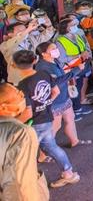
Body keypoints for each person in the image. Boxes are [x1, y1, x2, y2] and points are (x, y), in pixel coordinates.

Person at [13, 50, 81, 188]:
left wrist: (13, 124)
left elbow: (27, 113)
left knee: (26, 155)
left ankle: (28, 186)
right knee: (52, 147)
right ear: (34, 61)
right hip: (47, 117)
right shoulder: (43, 74)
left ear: (14, 65)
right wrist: (45, 104)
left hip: (35, 124)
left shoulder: (22, 86)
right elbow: (56, 91)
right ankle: (69, 174)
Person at [34, 42, 90, 148]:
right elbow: (56, 81)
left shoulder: (54, 60)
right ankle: (44, 152)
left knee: (70, 118)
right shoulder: (42, 67)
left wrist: (71, 76)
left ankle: (75, 141)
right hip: (54, 101)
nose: (56, 50)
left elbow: (62, 74)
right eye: (53, 49)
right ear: (44, 54)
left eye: (56, 48)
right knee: (55, 126)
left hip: (64, 96)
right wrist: (76, 70)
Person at [0, 83, 49, 200]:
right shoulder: (21, 133)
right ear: (3, 108)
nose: (22, 96)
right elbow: (19, 182)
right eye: (17, 94)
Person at [54, 18, 93, 117]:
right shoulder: (60, 41)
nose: (75, 26)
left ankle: (78, 107)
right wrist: (79, 56)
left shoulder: (77, 35)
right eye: (72, 25)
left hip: (81, 66)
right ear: (65, 28)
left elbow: (84, 48)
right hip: (71, 69)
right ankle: (74, 111)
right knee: (72, 89)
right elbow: (61, 59)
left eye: (75, 24)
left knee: (78, 88)